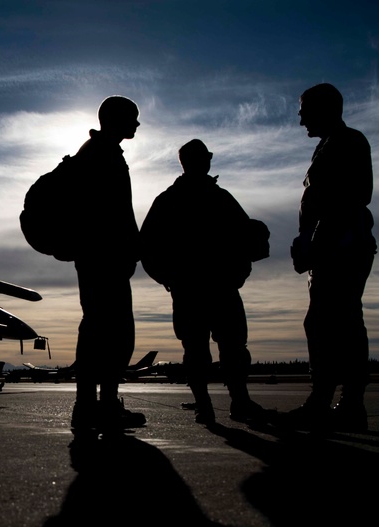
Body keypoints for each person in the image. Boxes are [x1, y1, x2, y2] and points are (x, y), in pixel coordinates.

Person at [141, 139, 269, 425]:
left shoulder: (213, 198)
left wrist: (240, 271)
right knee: (202, 351)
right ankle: (212, 405)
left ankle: (233, 403)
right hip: (199, 288)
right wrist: (169, 279)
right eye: (204, 157)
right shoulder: (179, 200)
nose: (207, 161)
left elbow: (246, 236)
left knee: (228, 348)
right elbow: (147, 246)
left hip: (215, 287)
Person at [286, 83, 376, 432]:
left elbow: (355, 196)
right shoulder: (326, 147)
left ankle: (341, 402)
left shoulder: (350, 142)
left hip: (343, 246)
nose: (301, 120)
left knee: (341, 323)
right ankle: (331, 401)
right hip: (327, 248)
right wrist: (306, 241)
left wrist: (318, 238)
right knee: (326, 323)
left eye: (305, 111)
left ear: (326, 109)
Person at [69, 95, 146, 434]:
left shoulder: (103, 153)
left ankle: (97, 405)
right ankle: (92, 406)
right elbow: (106, 214)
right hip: (103, 260)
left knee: (106, 331)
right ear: (115, 119)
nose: (138, 124)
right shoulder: (99, 155)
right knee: (107, 331)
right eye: (133, 117)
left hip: (103, 258)